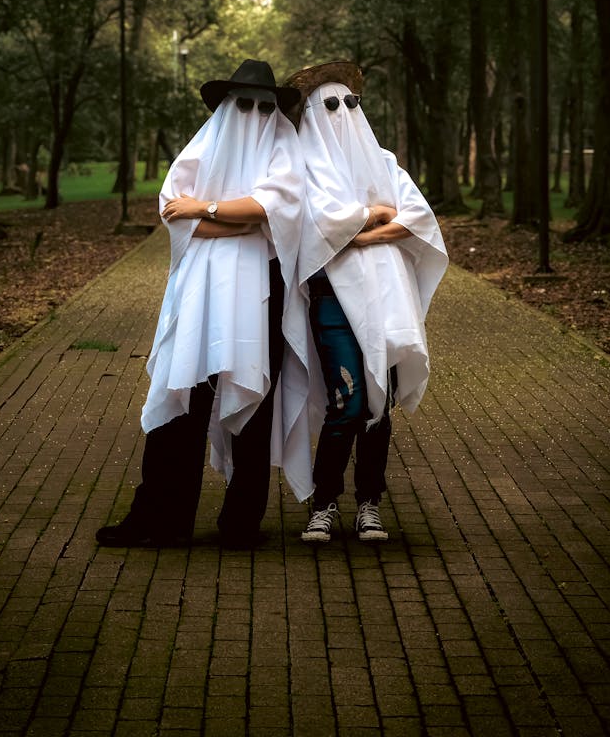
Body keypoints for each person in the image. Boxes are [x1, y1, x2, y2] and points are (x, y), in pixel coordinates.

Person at [96, 59, 310, 548]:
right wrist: (235, 220)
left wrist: (207, 209)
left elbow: (274, 207)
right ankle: (160, 519)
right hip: (199, 291)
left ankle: (241, 523)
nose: (254, 113)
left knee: (254, 404)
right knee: (182, 394)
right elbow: (177, 210)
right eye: (244, 103)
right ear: (227, 106)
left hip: (263, 292)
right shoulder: (202, 147)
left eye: (264, 105)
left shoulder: (283, 147)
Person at [283, 61, 448, 543]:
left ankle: (369, 503)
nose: (343, 112)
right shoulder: (303, 169)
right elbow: (314, 230)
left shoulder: (386, 162)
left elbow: (417, 219)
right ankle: (325, 502)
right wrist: (374, 216)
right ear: (313, 113)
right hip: (332, 300)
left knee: (381, 401)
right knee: (349, 401)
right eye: (331, 104)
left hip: (388, 297)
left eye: (351, 103)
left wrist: (357, 229)